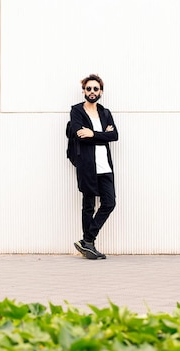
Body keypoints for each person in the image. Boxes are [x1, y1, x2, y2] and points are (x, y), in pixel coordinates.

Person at [70, 74, 118, 260]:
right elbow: (77, 133)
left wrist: (91, 133)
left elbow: (114, 136)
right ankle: (89, 245)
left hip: (104, 165)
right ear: (84, 91)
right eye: (88, 88)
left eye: (95, 89)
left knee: (109, 202)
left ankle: (87, 240)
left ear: (101, 92)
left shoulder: (105, 113)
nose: (92, 92)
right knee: (88, 205)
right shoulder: (77, 111)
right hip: (87, 166)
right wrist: (101, 134)